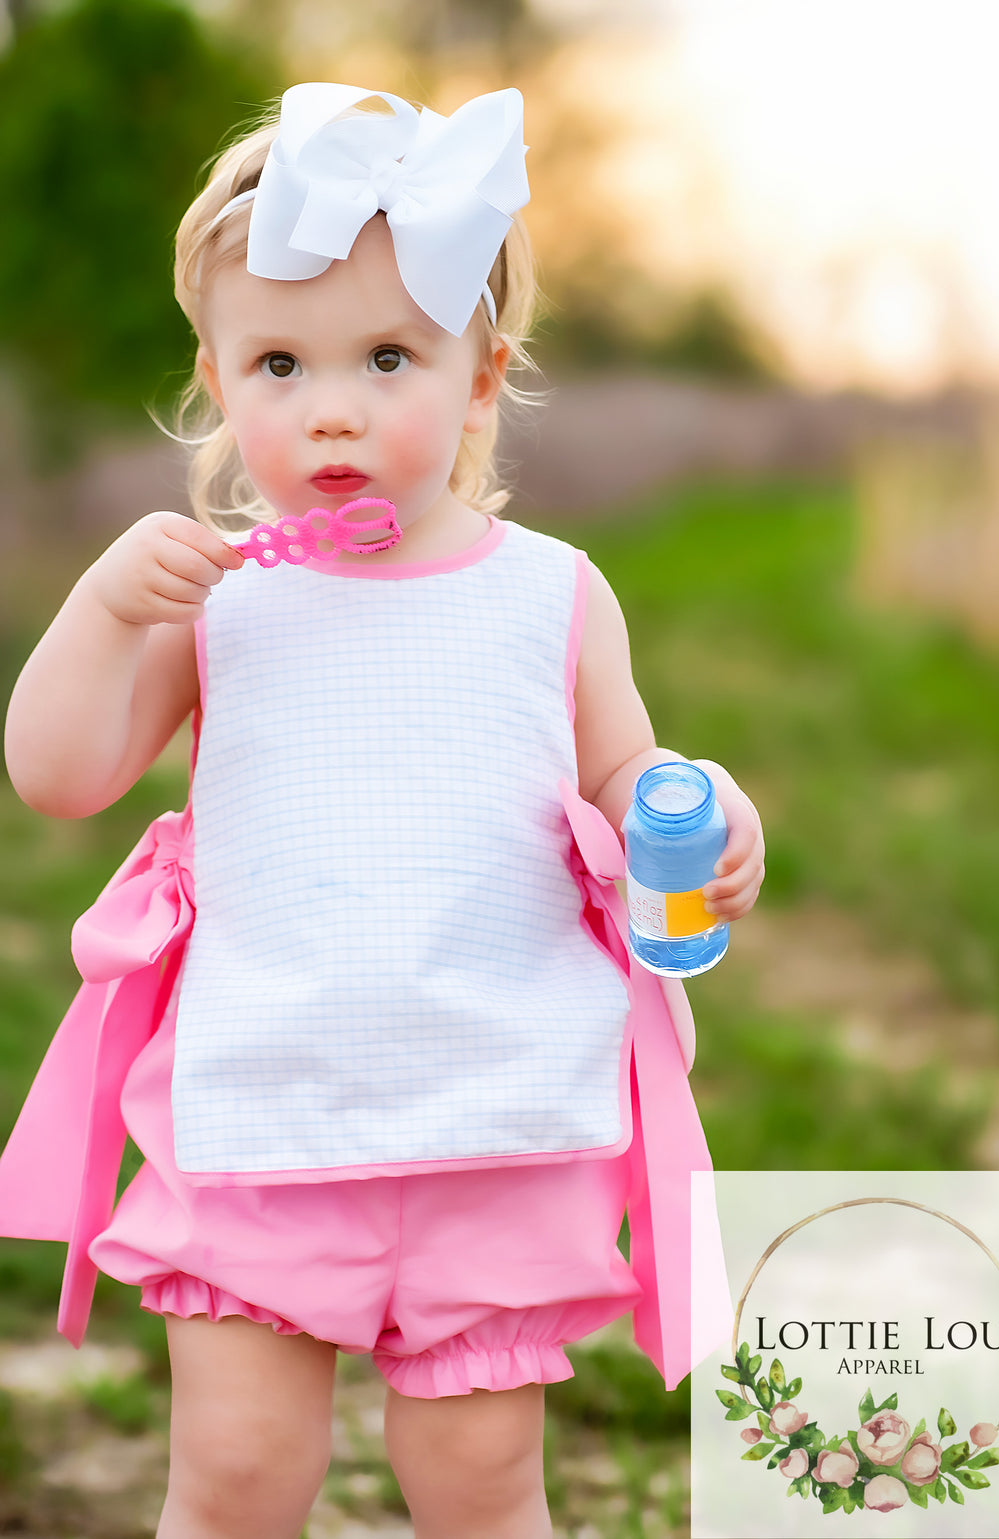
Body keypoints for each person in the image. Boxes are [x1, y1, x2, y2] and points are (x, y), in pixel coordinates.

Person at [0, 84, 764, 1539]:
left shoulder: (552, 594)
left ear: (483, 376)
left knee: (480, 1489)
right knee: (233, 1480)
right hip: (263, 1113)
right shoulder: (222, 596)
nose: (332, 404)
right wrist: (102, 611)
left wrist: (705, 814)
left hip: (493, 1122)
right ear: (220, 384)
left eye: (390, 358)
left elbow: (624, 787)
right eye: (281, 361)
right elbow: (56, 774)